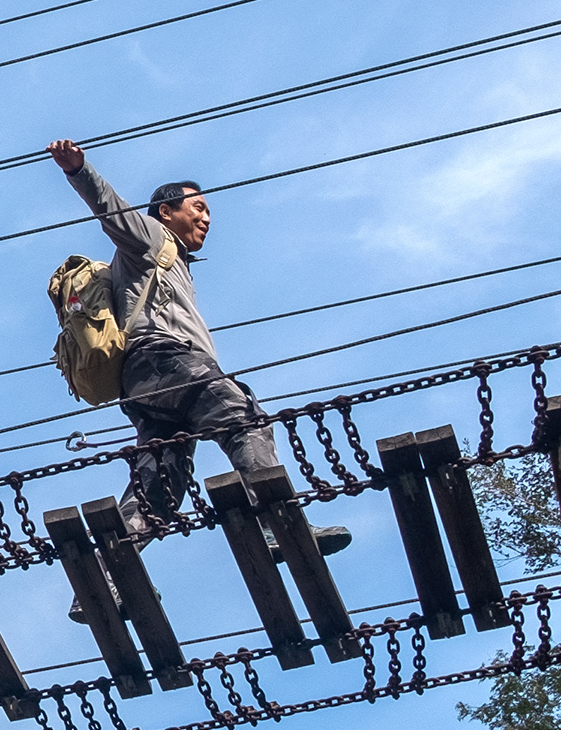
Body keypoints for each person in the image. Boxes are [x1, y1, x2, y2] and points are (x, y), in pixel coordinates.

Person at [46, 139, 349, 555]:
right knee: (243, 417)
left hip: (145, 387)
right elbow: (111, 210)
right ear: (166, 212)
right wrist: (79, 171)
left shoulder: (172, 262)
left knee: (160, 484)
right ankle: (279, 525)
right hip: (162, 359)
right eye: (199, 208)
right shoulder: (152, 239)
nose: (206, 218)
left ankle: (106, 574)